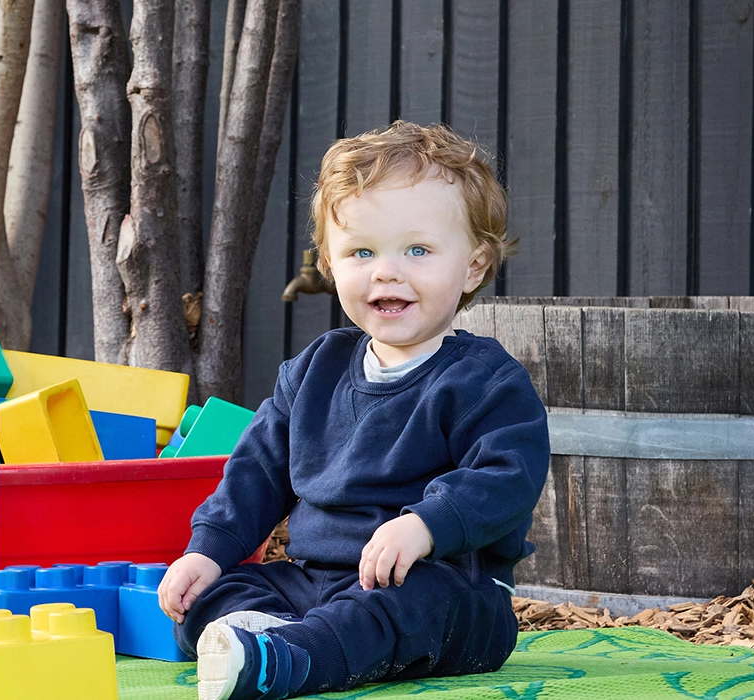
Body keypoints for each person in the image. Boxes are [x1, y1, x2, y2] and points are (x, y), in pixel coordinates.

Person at [158, 121, 550, 700]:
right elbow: (257, 471)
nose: (386, 270)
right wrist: (207, 551)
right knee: (209, 598)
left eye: (417, 250)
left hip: (443, 583)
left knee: (412, 607)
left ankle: (295, 658)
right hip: (314, 579)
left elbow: (507, 478)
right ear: (329, 264)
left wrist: (425, 526)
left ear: (473, 265)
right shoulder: (314, 370)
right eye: (361, 251)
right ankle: (270, 640)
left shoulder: (483, 379)